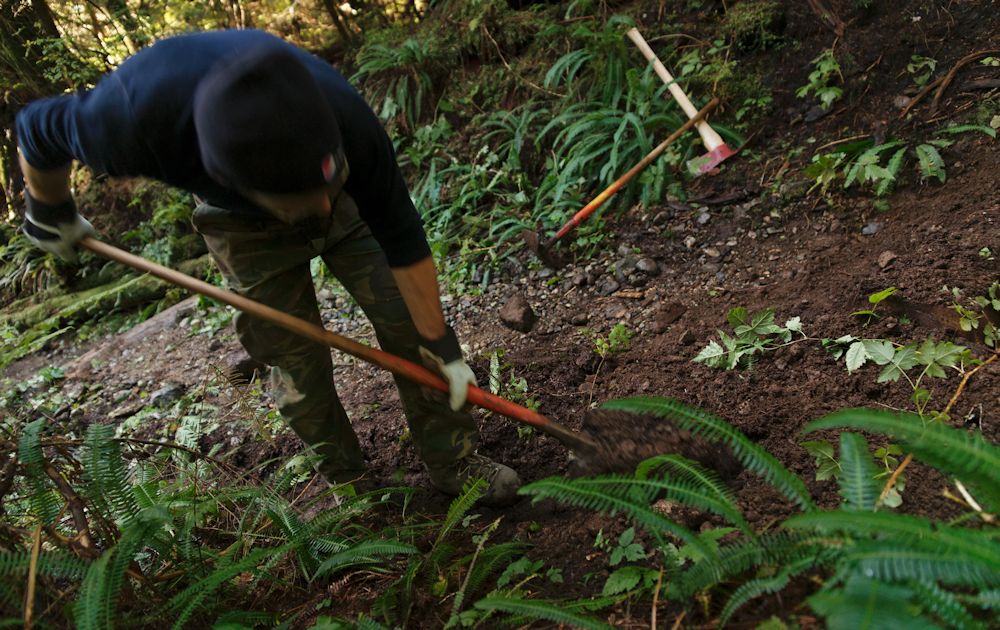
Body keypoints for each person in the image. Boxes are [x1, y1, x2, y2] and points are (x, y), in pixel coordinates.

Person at [15, 29, 520, 505]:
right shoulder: (124, 119)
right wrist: (51, 210)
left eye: (325, 190)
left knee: (410, 327)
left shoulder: (341, 114)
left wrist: (442, 347)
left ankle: (455, 461)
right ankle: (351, 491)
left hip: (337, 183)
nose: (322, 212)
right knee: (295, 361)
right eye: (305, 202)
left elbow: (403, 239)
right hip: (240, 228)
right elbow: (35, 129)